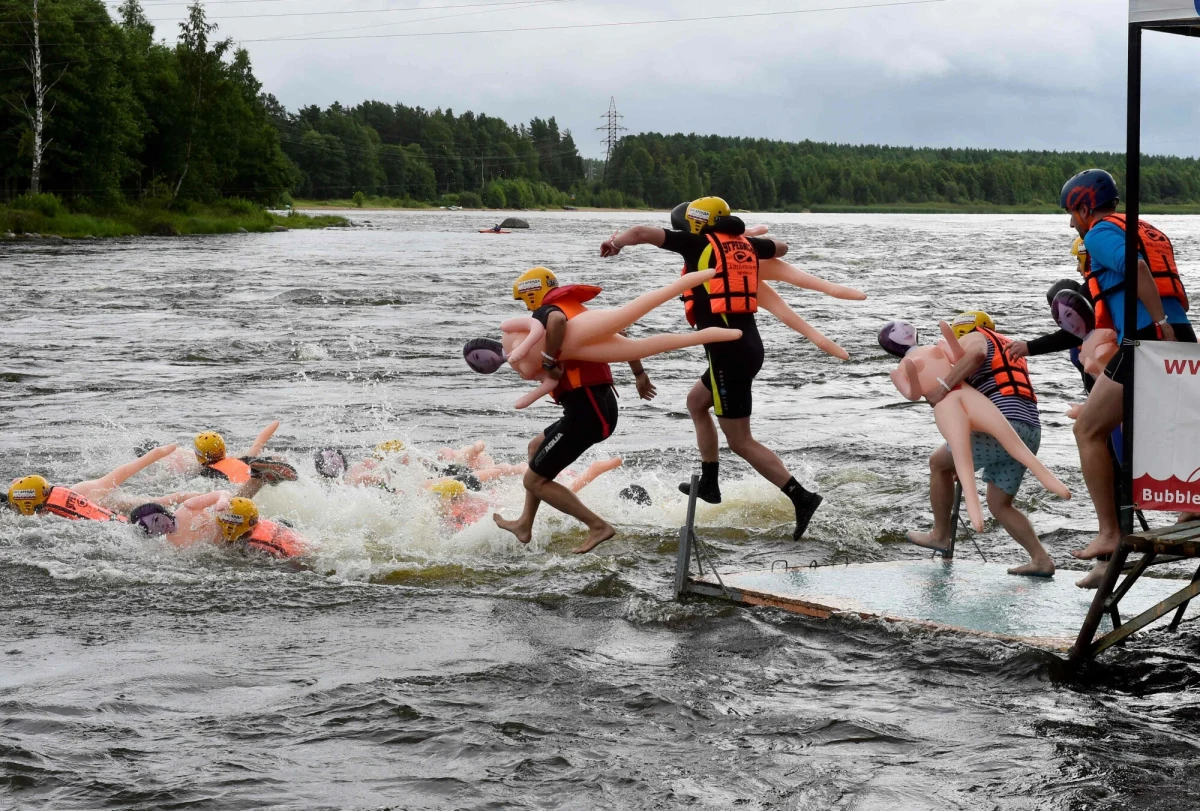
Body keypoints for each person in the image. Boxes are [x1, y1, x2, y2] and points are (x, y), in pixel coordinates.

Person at [600, 196, 823, 540]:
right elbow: (782, 247)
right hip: (746, 347)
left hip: (728, 355)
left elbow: (642, 232)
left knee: (741, 441)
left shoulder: (696, 244)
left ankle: (801, 497)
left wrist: (616, 243)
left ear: (698, 223)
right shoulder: (745, 245)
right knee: (696, 402)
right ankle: (710, 481)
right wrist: (746, 239)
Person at [1059, 169, 1195, 562]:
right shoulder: (1145, 229)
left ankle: (1108, 533)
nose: (1072, 223)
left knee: (1088, 430)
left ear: (1085, 207)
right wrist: (1168, 325)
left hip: (1149, 337)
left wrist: (1159, 324)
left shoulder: (1099, 233)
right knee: (1180, 426)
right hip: (1180, 334)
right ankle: (1192, 508)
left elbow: (1136, 270)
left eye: (1071, 213)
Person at [492, 267, 656, 554]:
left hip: (587, 411)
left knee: (534, 480)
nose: (526, 308)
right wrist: (639, 374)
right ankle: (525, 524)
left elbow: (555, 321)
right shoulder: (577, 311)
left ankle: (597, 526)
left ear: (532, 293)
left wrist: (547, 360)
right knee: (536, 447)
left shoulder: (548, 311)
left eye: (524, 300)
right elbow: (622, 335)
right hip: (598, 406)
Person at [907, 312, 1057, 578]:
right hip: (1030, 430)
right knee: (999, 504)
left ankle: (939, 535)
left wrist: (943, 387)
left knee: (938, 464)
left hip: (1002, 427)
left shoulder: (976, 337)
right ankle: (1041, 560)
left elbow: (976, 355)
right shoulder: (1008, 345)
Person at [4, 444, 190, 522]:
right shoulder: (79, 489)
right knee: (154, 501)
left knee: (155, 503)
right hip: (98, 497)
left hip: (108, 514)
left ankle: (187, 498)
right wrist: (159, 452)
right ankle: (189, 496)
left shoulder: (47, 516)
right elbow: (126, 470)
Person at [130, 493, 306, 559]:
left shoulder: (188, 508)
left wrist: (222, 501)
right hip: (234, 546)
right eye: (153, 530)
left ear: (161, 511)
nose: (160, 527)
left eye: (156, 520)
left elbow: (221, 493)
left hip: (241, 528)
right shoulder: (172, 543)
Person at [190, 423, 297, 493]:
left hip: (239, 488)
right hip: (250, 471)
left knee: (233, 499)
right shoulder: (241, 459)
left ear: (199, 454)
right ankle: (265, 475)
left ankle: (258, 477)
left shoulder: (206, 473)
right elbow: (258, 444)